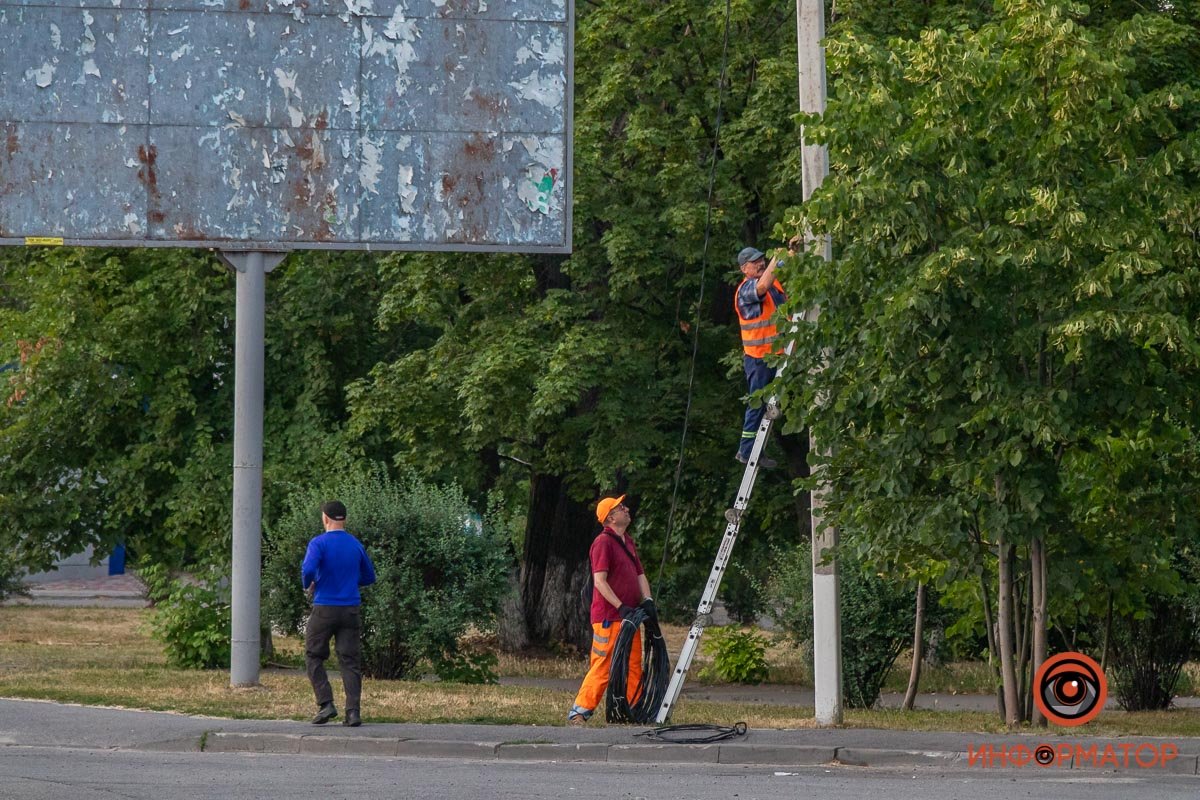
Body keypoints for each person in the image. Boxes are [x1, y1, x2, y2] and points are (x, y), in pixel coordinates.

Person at [567, 494, 656, 726]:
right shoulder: (603, 543)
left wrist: (647, 601)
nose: (626, 509)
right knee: (604, 664)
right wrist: (620, 607)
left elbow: (640, 575)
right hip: (609, 617)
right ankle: (580, 712)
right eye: (620, 507)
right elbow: (599, 581)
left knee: (634, 664)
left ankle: (634, 710)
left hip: (631, 616)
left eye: (624, 505)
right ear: (610, 517)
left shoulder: (627, 541)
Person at [301, 500, 376, 727]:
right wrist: (351, 582)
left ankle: (326, 704)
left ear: (325, 518)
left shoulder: (319, 543)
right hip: (350, 608)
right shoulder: (355, 544)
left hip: (324, 607)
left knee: (314, 656)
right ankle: (353, 713)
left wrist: (310, 583)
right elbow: (369, 576)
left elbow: (308, 569)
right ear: (344, 519)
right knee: (350, 661)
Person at [733, 242, 794, 468]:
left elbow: (779, 269)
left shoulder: (773, 284)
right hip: (759, 358)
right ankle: (746, 451)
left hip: (778, 355)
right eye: (754, 262)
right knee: (756, 403)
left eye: (761, 260)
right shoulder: (746, 290)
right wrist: (776, 258)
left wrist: (791, 252)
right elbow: (763, 284)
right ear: (744, 269)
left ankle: (754, 449)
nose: (760, 264)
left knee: (766, 402)